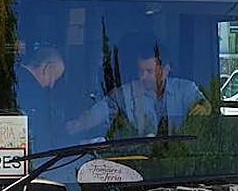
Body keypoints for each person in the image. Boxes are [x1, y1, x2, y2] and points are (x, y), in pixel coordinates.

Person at [68, 35, 209, 137]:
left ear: (165, 70)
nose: (143, 77)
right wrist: (76, 126)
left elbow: (204, 108)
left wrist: (204, 107)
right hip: (140, 159)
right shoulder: (125, 94)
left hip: (180, 158)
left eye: (149, 72)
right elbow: (98, 112)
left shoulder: (186, 90)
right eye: (140, 71)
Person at [15, 46, 69, 151]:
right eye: (53, 77)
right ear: (46, 68)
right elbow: (41, 135)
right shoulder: (35, 93)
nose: (51, 84)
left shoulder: (14, 77)